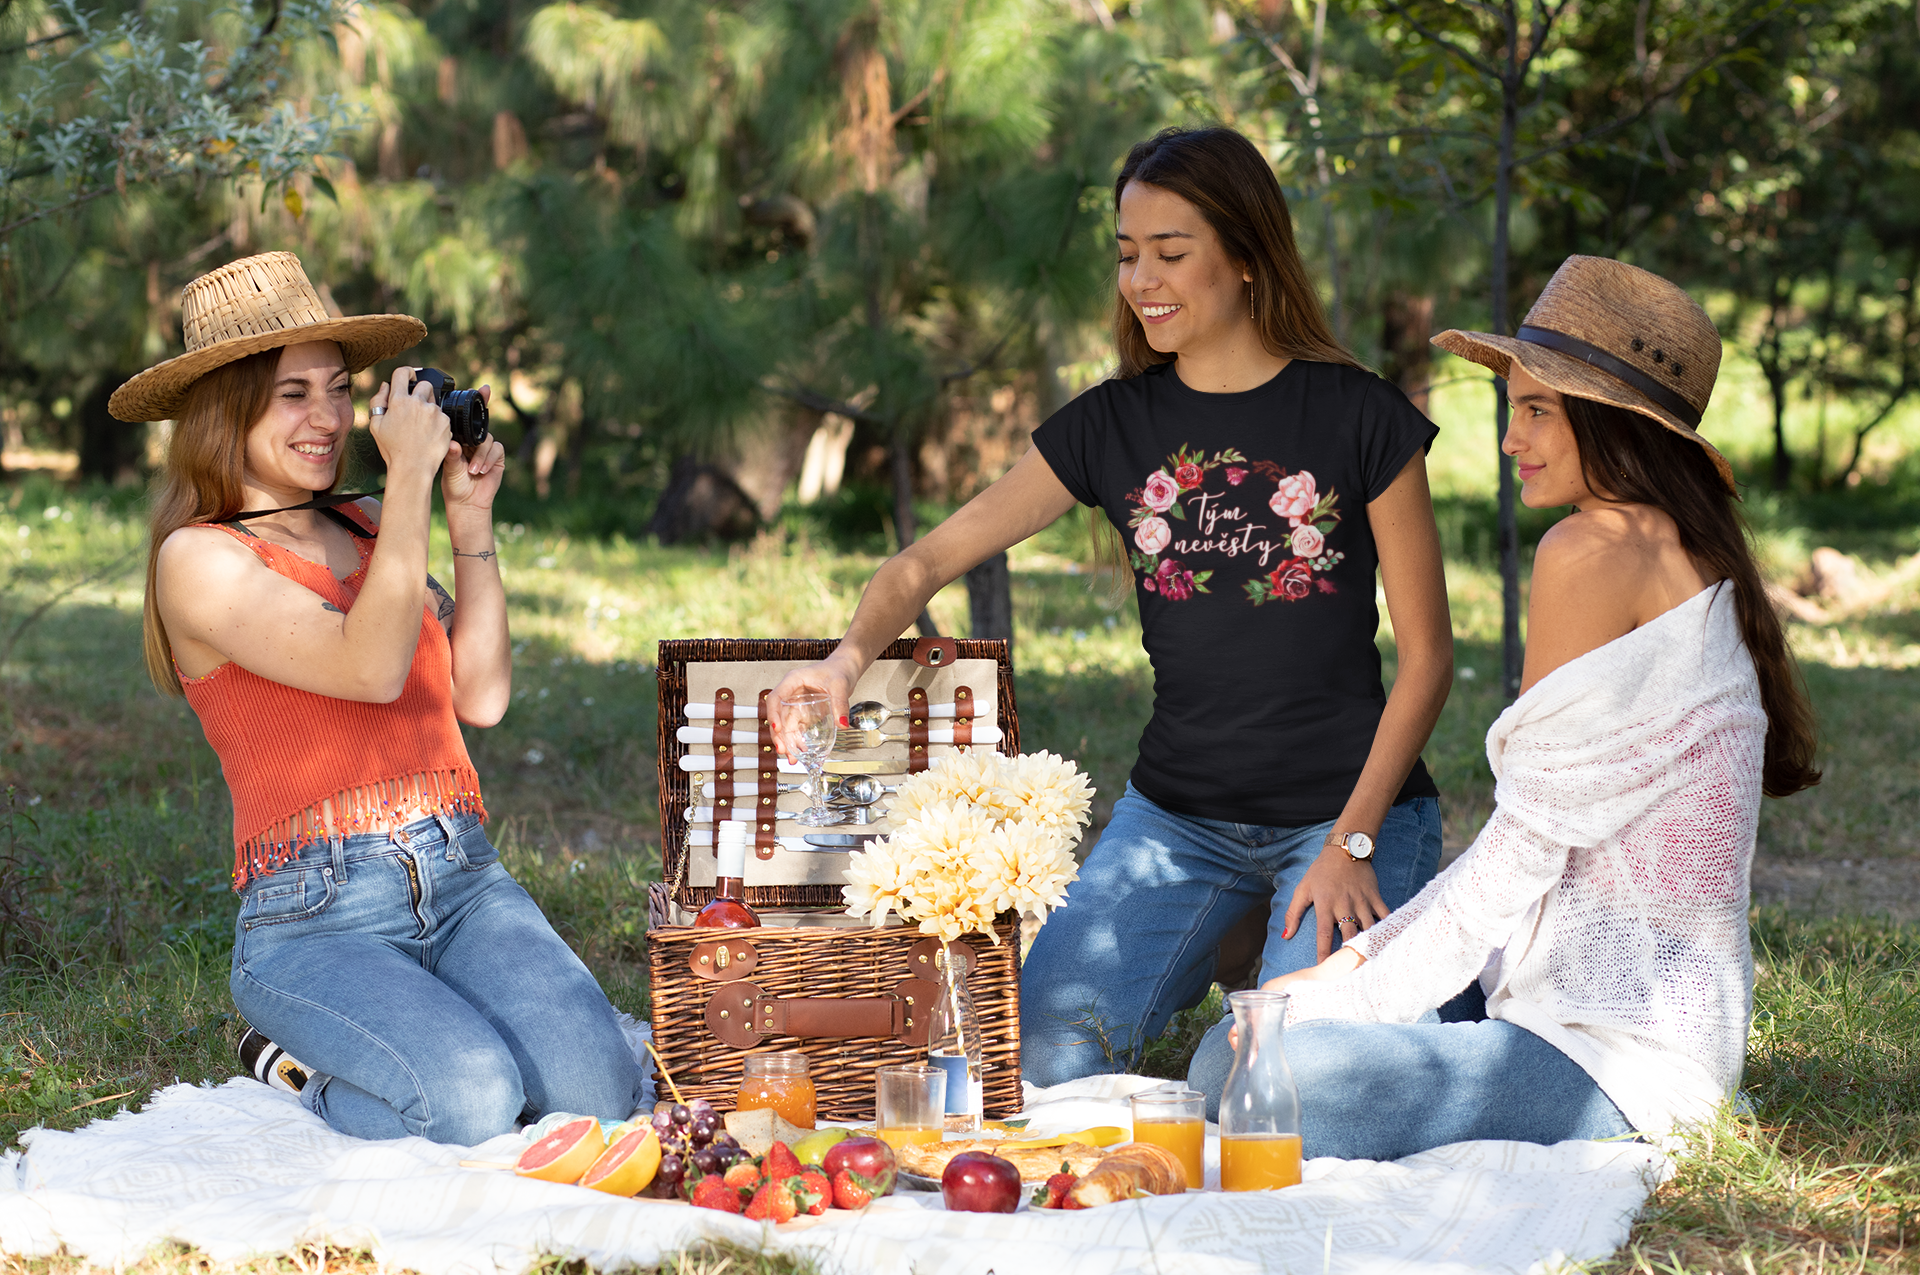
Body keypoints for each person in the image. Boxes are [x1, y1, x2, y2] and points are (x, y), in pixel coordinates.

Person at [768, 126, 1455, 1087]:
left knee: (1266, 1084)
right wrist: (845, 660)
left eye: (1172, 254)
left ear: (1248, 259)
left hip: (1347, 814)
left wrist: (1352, 843)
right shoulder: (1113, 424)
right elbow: (926, 561)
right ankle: (1257, 938)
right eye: (1129, 256)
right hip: (1180, 819)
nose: (1142, 280)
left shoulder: (1361, 416)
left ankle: (1413, 963)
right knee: (1041, 1060)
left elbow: (1430, 657)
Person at [1189, 255, 1822, 1154]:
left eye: (1537, 411)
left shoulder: (1590, 551)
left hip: (1614, 1055)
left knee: (1237, 1067)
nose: (1510, 440)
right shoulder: (1687, 549)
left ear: (1612, 425)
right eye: (1512, 408)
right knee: (1273, 1026)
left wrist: (1344, 994)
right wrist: (1358, 965)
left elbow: (1523, 848)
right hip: (1586, 994)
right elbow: (1533, 839)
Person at [116, 251, 645, 1145]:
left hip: (462, 875)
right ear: (224, 407)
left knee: (598, 1097)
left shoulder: (366, 524)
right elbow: (369, 668)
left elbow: (481, 696)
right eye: (293, 394)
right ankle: (299, 1069)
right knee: (475, 1104)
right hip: (317, 916)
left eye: (337, 388)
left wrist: (468, 520)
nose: (327, 418)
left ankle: (420, 1034)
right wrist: (407, 483)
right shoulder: (199, 560)